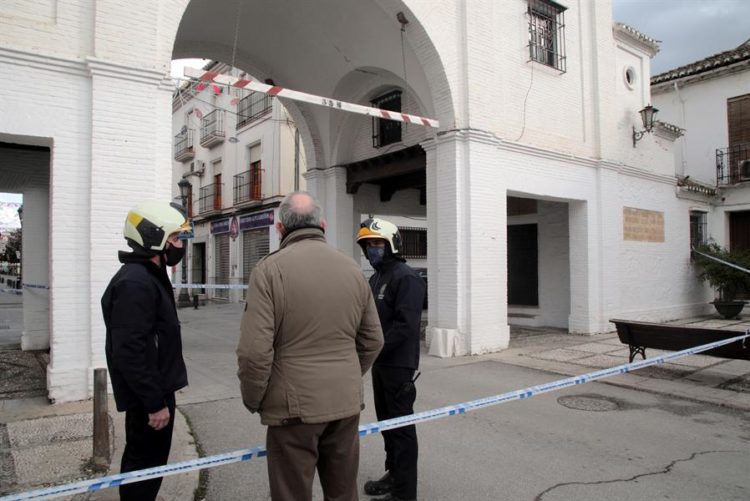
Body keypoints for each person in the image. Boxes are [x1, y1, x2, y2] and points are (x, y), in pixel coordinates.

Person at [237, 191, 384, 501]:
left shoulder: (268, 271)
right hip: (344, 403)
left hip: (293, 410)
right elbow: (373, 339)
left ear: (280, 229)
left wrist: (255, 399)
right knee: (343, 492)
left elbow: (254, 353)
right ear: (323, 224)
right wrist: (345, 374)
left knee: (292, 493)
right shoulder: (353, 270)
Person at [102, 200, 191, 501]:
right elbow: (130, 350)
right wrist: (154, 403)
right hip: (148, 399)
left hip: (154, 391)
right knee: (144, 466)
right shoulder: (136, 283)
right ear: (154, 238)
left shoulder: (148, 276)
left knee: (150, 465)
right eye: (176, 238)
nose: (180, 245)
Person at [357, 217, 425, 501]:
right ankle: (393, 473)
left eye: (377, 243)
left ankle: (404, 493)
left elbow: (406, 327)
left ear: (391, 244)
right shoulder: (376, 277)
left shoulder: (405, 277)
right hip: (380, 364)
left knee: (401, 429)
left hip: (398, 366)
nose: (372, 249)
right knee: (387, 424)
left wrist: (375, 347)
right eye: (368, 244)